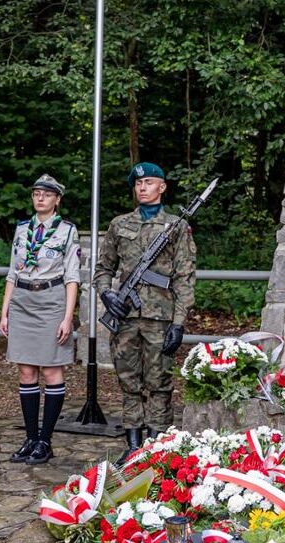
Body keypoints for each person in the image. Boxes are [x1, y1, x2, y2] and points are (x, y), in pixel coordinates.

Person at [94, 162, 196, 466]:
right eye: (138, 183)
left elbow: (185, 277)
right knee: (129, 382)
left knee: (160, 383)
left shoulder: (176, 227)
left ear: (162, 187)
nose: (142, 187)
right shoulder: (119, 224)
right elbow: (103, 268)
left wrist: (179, 323)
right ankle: (133, 442)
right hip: (125, 318)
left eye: (149, 182)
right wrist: (107, 293)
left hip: (160, 318)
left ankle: (156, 443)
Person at [0, 174, 81, 465]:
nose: (40, 198)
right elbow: (12, 272)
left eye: (47, 194)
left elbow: (72, 277)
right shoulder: (22, 230)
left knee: (51, 371)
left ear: (57, 199)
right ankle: (31, 438)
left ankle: (45, 440)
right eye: (36, 193)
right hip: (23, 301)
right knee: (26, 372)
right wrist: (4, 311)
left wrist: (67, 317)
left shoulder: (67, 231)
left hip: (51, 301)